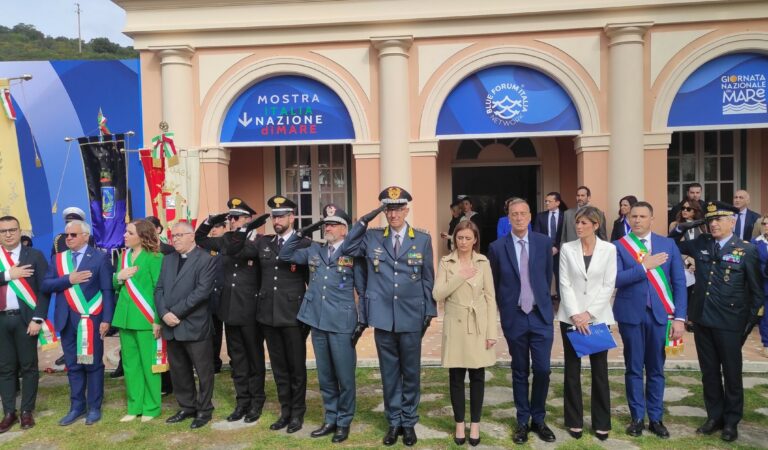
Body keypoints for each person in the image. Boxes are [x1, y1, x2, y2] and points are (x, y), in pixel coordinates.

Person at [343, 186, 436, 447]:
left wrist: (429, 311)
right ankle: (394, 421)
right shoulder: (372, 237)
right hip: (383, 316)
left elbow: (428, 278)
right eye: (388, 209)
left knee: (411, 372)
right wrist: (364, 219)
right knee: (389, 373)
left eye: (397, 208)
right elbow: (348, 246)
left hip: (411, 316)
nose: (393, 214)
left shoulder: (422, 239)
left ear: (406, 210)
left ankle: (409, 422)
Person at [670, 201, 762, 442]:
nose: (713, 224)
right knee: (709, 373)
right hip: (702, 320)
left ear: (732, 222)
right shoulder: (702, 242)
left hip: (731, 324)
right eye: (710, 220)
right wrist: (685, 226)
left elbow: (756, 293)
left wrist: (746, 326)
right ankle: (714, 416)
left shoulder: (746, 249)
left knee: (731, 374)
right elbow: (672, 243)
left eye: (719, 220)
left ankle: (731, 421)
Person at [278, 204, 366, 444]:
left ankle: (344, 421)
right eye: (325, 224)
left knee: (344, 377)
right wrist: (301, 231)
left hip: (341, 322)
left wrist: (362, 320)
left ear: (344, 229)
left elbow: (361, 288)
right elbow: (285, 254)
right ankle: (331, 418)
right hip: (317, 320)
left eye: (333, 224)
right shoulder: (314, 250)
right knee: (325, 375)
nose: (327, 227)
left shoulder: (353, 253)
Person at [614, 201, 687, 439]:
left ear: (651, 219)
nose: (637, 220)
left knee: (656, 369)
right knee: (634, 368)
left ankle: (655, 418)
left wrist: (680, 318)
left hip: (660, 316)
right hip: (631, 315)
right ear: (628, 218)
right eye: (633, 216)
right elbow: (616, 279)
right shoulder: (619, 246)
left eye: (642, 216)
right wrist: (644, 267)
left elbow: (679, 283)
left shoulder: (668, 244)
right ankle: (637, 417)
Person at [195, 198, 270, 424]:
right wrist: (210, 221)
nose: (231, 221)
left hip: (250, 309)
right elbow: (200, 239)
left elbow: (239, 249)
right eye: (229, 218)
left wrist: (245, 231)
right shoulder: (227, 239)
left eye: (235, 218)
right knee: (236, 359)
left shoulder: (259, 241)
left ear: (247, 219)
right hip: (229, 309)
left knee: (253, 358)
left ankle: (256, 401)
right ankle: (242, 401)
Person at [487, 198, 555, 444]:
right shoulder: (497, 247)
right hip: (514, 317)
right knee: (519, 370)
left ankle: (539, 418)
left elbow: (546, 276)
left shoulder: (543, 242)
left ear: (529, 216)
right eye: (514, 214)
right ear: (508, 217)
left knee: (543, 370)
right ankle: (522, 421)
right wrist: (505, 309)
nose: (518, 218)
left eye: (523, 213)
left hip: (540, 316)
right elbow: (495, 283)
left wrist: (540, 301)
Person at [41, 220, 114, 426]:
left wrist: (107, 319)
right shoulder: (58, 259)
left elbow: (107, 291)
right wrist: (69, 279)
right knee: (73, 366)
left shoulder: (99, 258)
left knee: (92, 365)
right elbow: (46, 285)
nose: (69, 238)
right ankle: (76, 407)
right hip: (66, 321)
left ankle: (94, 407)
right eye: (67, 235)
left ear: (85, 236)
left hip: (90, 321)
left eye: (73, 235)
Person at [248, 196, 311, 434]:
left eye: (282, 216)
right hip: (268, 315)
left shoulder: (304, 244)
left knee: (296, 367)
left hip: (293, 316)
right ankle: (285, 411)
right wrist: (247, 227)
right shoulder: (264, 243)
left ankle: (298, 413)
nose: (277, 220)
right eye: (274, 216)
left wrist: (307, 317)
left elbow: (310, 283)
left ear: (292, 217)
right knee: (279, 367)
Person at [432, 220, 497, 447]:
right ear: (454, 239)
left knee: (478, 376)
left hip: (478, 325)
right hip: (456, 324)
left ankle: (475, 423)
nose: (463, 242)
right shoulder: (446, 262)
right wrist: (461, 275)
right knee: (457, 377)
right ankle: (460, 422)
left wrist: (491, 332)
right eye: (459, 238)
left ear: (475, 240)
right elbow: (438, 293)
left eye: (468, 238)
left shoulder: (483, 262)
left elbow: (490, 298)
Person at [557, 206, 616, 441]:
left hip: (598, 318)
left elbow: (608, 284)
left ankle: (601, 422)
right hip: (570, 317)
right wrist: (575, 314)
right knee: (572, 371)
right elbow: (564, 283)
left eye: (583, 223)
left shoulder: (609, 249)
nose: (578, 226)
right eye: (577, 222)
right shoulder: (567, 249)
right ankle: (574, 420)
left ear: (596, 225)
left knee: (599, 371)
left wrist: (589, 314)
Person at [156, 222, 216, 429]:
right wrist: (164, 313)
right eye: (173, 236)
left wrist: (176, 313)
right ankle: (187, 406)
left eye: (180, 235)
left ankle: (204, 409)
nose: (176, 239)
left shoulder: (205, 259)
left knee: (203, 370)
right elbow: (159, 289)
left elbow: (202, 292)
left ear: (192, 237)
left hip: (194, 325)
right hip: (171, 325)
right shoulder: (168, 259)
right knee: (179, 370)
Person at [0, 216, 50, 433]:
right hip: (1, 320)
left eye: (12, 230)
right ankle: (9, 412)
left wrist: (38, 318)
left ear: (20, 231)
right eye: (3, 231)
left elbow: (45, 289)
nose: (8, 234)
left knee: (29, 367)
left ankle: (27, 411)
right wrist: (8, 275)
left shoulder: (34, 255)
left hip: (26, 320)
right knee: (5, 369)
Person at [112, 220, 164, 422]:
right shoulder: (123, 257)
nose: (125, 235)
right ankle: (134, 407)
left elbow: (159, 290)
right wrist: (119, 276)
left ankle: (151, 407)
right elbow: (116, 286)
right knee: (130, 365)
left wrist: (157, 320)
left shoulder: (155, 258)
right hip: (125, 318)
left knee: (149, 364)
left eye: (129, 232)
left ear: (142, 236)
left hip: (145, 318)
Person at [532, 192, 565, 302]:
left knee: (561, 277)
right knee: (544, 277)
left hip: (561, 252)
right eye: (546, 201)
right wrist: (546, 249)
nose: (546, 203)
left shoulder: (564, 216)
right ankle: (544, 301)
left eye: (549, 201)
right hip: (544, 252)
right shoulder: (541, 216)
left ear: (557, 202)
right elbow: (536, 234)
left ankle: (562, 302)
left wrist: (557, 247)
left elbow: (564, 234)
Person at [750, 215, 768, 357]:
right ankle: (767, 343)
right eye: (764, 223)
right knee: (766, 317)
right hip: (764, 286)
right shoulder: (755, 243)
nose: (766, 226)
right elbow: (752, 265)